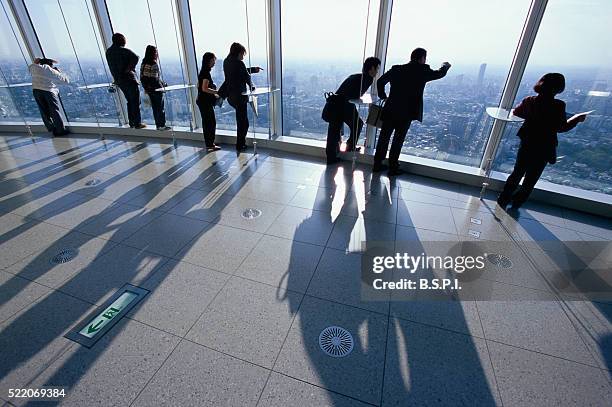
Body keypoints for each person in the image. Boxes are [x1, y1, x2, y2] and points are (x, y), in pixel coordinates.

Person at [497, 73, 586, 210]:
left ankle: (503, 199)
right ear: (558, 89)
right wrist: (576, 119)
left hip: (527, 142)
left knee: (517, 172)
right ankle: (517, 203)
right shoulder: (558, 105)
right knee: (531, 178)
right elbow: (561, 127)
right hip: (544, 146)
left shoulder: (529, 100)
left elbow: (517, 113)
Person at [374, 48, 451, 175]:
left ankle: (377, 164)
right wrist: (445, 66)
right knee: (398, 140)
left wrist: (383, 96)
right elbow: (439, 74)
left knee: (384, 138)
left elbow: (380, 81)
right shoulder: (423, 71)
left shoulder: (396, 69)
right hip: (406, 113)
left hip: (391, 109)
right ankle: (393, 167)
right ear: (422, 58)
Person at [325, 57, 381, 165]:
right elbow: (355, 94)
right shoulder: (367, 79)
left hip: (337, 104)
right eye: (377, 69)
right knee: (356, 124)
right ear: (372, 68)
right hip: (343, 105)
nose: (377, 72)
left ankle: (332, 156)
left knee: (334, 131)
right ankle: (349, 147)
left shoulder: (357, 76)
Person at [222, 42, 262, 151]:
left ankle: (240, 144)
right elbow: (245, 75)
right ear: (238, 52)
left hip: (231, 97)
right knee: (244, 123)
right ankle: (240, 145)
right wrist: (252, 86)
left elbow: (239, 72)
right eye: (242, 54)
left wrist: (253, 69)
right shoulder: (239, 63)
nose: (243, 56)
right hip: (240, 97)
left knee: (241, 121)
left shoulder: (226, 62)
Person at [106, 33, 145, 129]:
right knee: (135, 101)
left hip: (119, 81)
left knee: (129, 101)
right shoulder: (123, 50)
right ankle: (137, 123)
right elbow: (136, 57)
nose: (125, 41)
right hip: (129, 79)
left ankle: (131, 122)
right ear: (119, 40)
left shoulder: (109, 52)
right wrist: (129, 68)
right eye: (123, 39)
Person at [28, 58, 70, 137]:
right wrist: (59, 72)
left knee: (43, 110)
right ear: (50, 65)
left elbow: (31, 66)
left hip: (36, 90)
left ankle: (51, 128)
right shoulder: (50, 70)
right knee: (54, 111)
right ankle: (60, 130)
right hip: (48, 91)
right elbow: (66, 81)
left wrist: (36, 62)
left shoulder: (34, 68)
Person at [140, 45, 171, 131]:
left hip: (149, 90)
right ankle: (162, 125)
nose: (157, 54)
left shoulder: (143, 63)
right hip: (156, 90)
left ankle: (158, 125)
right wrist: (162, 85)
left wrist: (146, 87)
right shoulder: (153, 64)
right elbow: (154, 79)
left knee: (155, 108)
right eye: (156, 52)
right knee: (160, 107)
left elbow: (143, 77)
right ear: (153, 53)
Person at [196, 52, 221, 151]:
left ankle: (209, 142)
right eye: (213, 60)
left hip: (202, 101)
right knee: (210, 122)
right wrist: (216, 91)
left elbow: (199, 86)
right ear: (208, 61)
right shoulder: (206, 73)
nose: (214, 62)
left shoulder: (203, 72)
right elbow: (204, 88)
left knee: (207, 122)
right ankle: (210, 144)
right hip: (205, 102)